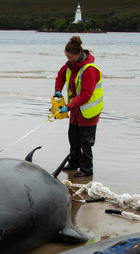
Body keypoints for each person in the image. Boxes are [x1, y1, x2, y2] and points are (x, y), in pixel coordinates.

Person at [54, 35, 103, 179]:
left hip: (88, 111)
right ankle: (74, 162)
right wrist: (58, 90)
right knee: (73, 138)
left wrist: (67, 106)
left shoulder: (89, 69)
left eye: (70, 57)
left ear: (79, 54)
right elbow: (60, 77)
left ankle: (87, 169)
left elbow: (86, 95)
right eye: (67, 57)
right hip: (75, 110)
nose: (68, 60)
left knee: (85, 142)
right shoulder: (70, 65)